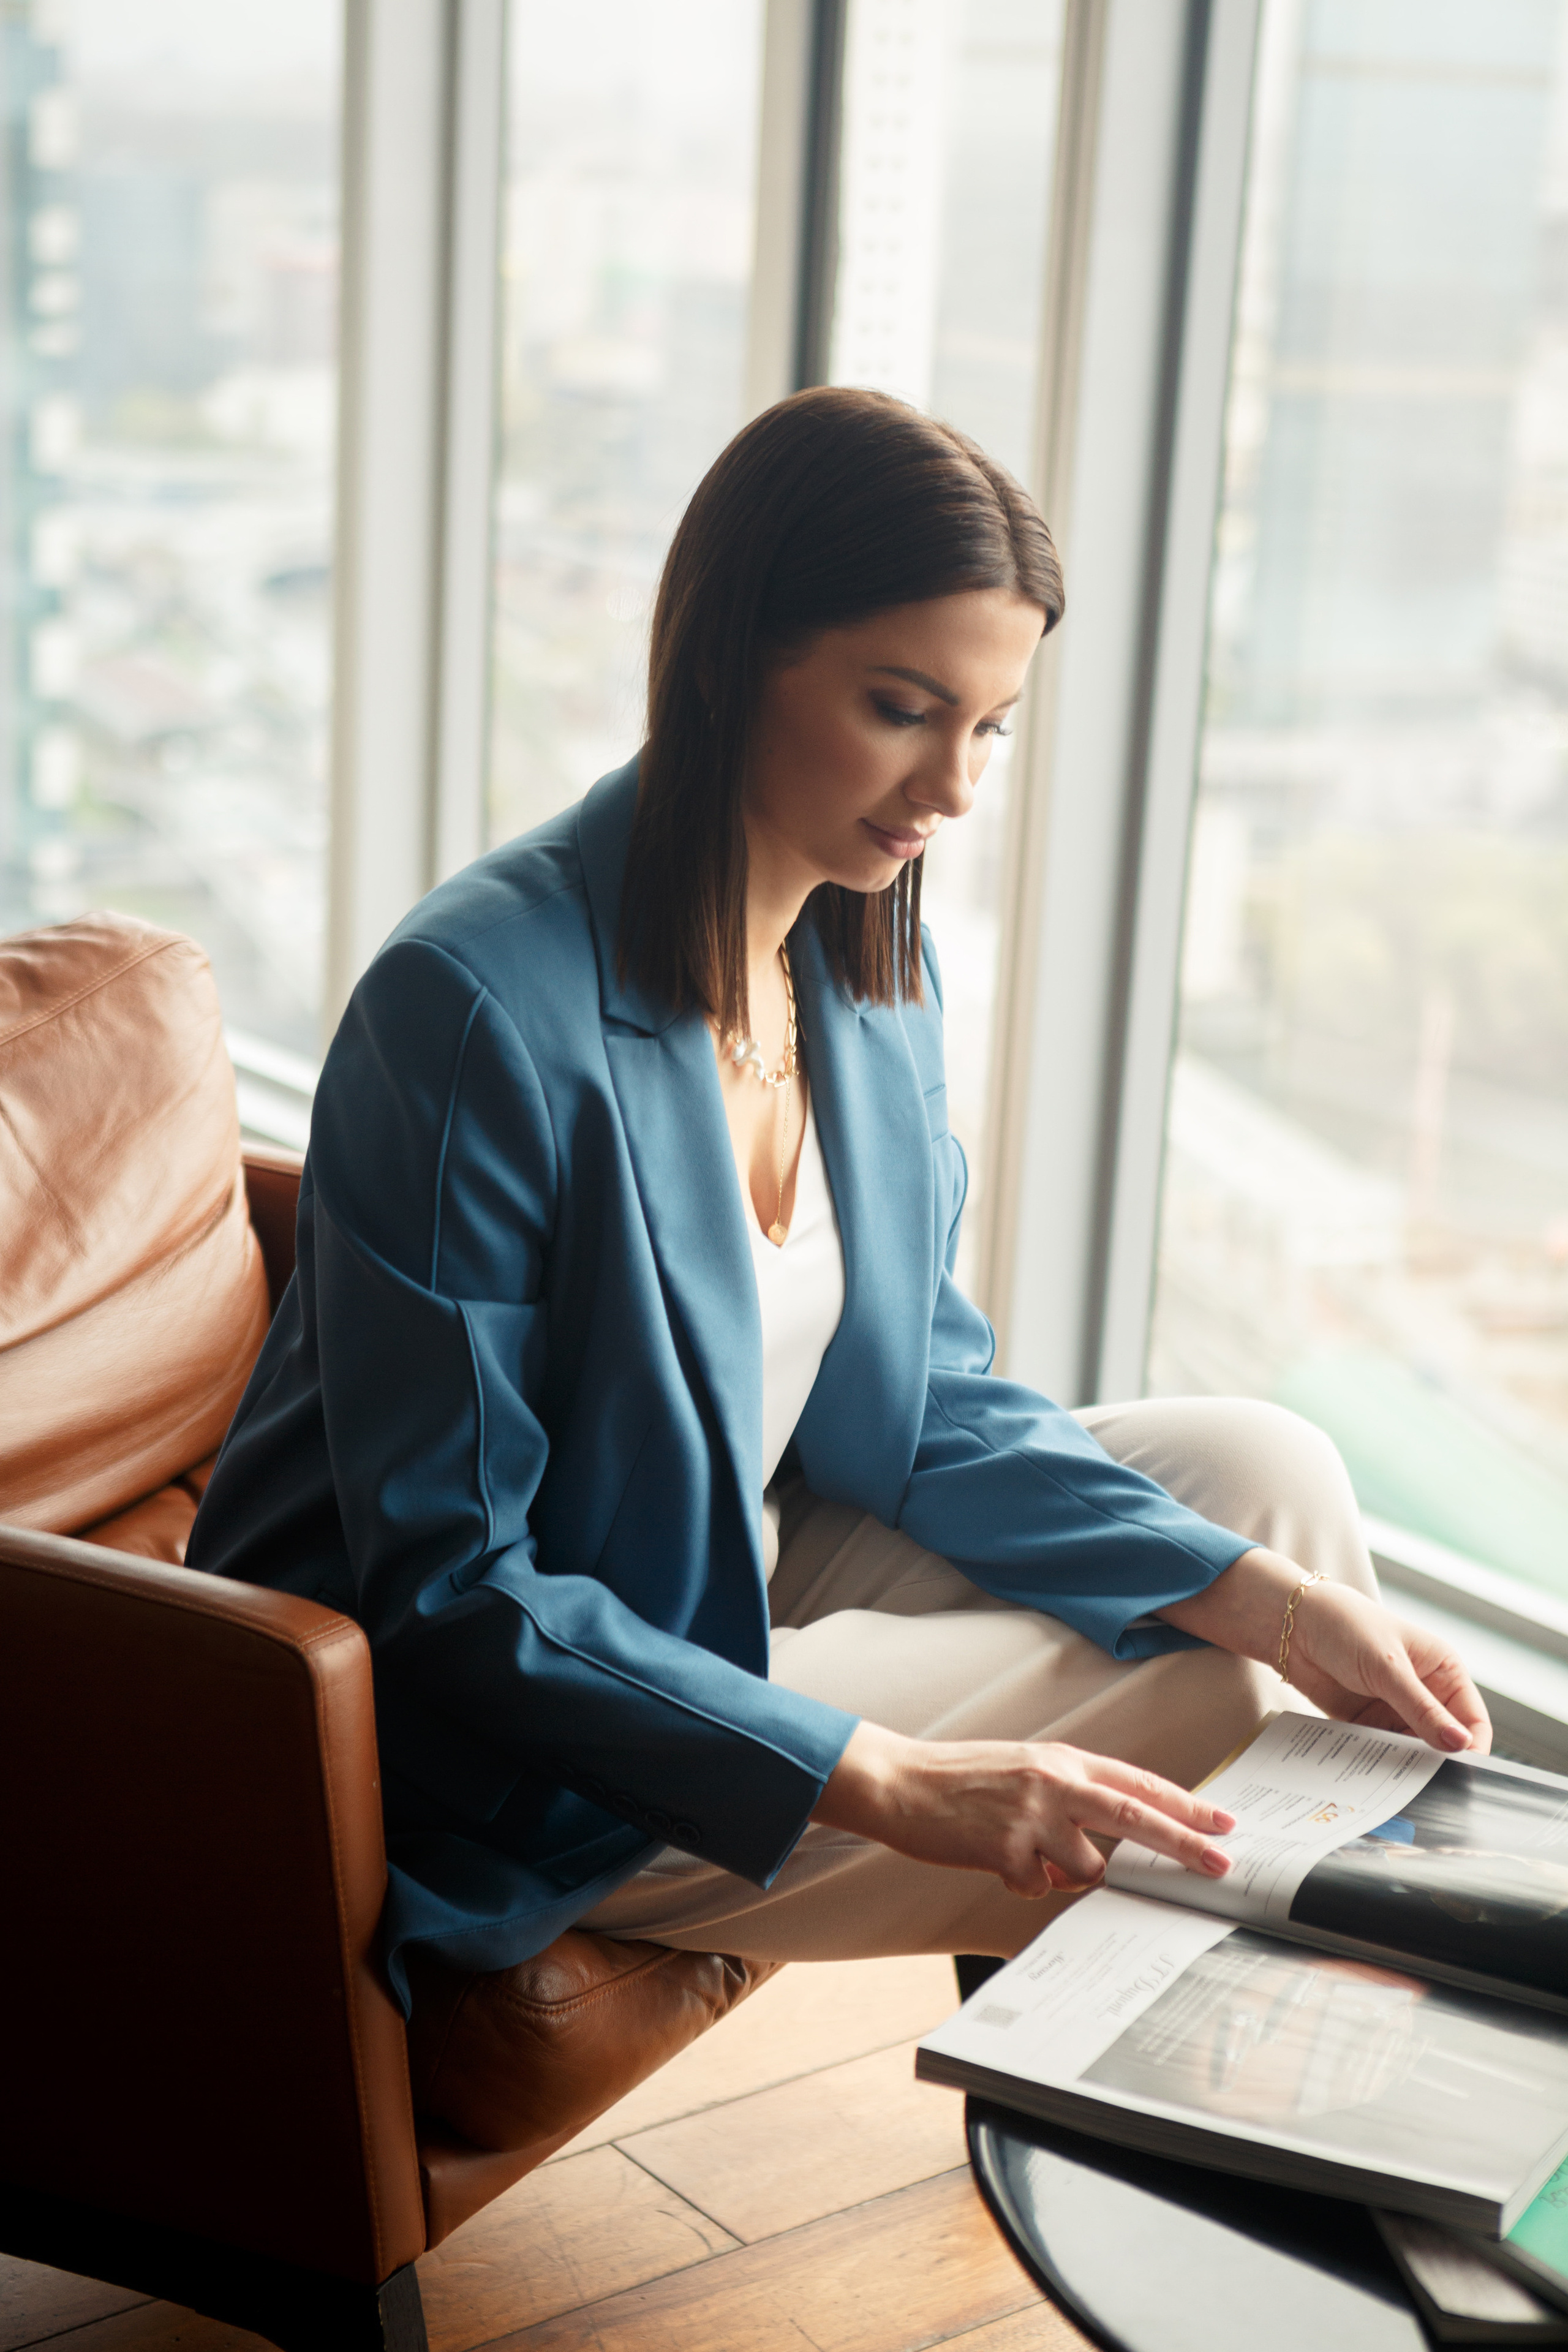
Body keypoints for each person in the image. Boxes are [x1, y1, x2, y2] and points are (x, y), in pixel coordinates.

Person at [189, 387, 1490, 2012]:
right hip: (516, 1721)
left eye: (993, 726)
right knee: (1221, 1703)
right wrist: (900, 1779)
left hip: (724, 1549)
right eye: (902, 707)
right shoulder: (473, 1010)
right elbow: (458, 1590)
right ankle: (1244, 2076)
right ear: (733, 657)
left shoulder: (862, 958)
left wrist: (1287, 1604)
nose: (952, 786)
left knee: (1269, 1487)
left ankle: (1196, 2043)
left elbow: (924, 1403)